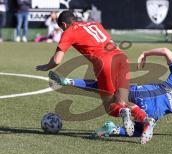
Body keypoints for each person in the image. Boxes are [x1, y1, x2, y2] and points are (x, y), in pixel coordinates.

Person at [48, 48, 172, 144]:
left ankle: (69, 80)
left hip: (143, 93)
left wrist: (145, 53)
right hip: (155, 112)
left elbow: (166, 51)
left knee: (108, 88)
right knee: (137, 131)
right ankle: (115, 128)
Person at [36, 10, 148, 138]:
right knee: (122, 100)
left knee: (110, 106)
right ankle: (146, 121)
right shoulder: (94, 24)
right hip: (121, 57)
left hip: (104, 63)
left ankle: (123, 112)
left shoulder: (69, 31)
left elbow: (57, 60)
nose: (62, 31)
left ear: (64, 25)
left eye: (61, 28)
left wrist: (46, 66)